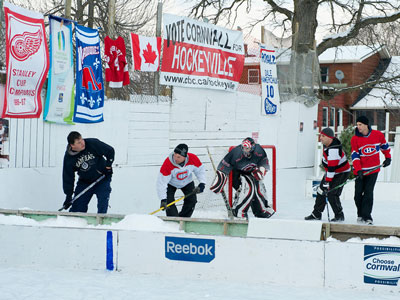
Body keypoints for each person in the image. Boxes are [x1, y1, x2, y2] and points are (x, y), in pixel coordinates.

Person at [210, 137, 275, 219]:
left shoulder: (259, 150)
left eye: (247, 148)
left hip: (251, 172)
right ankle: (238, 211)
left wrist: (260, 171)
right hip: (236, 174)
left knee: (258, 188)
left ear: (253, 147)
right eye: (243, 148)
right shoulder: (236, 152)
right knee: (247, 189)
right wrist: (219, 181)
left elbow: (263, 162)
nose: (245, 150)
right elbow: (223, 166)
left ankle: (261, 211)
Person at [351, 116, 391, 225]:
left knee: (368, 193)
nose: (358, 127)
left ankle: (367, 217)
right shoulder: (355, 139)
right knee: (358, 195)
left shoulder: (377, 135)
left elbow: (385, 146)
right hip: (360, 171)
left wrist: (388, 157)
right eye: (357, 124)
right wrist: (358, 170)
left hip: (373, 170)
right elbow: (355, 156)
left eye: (360, 125)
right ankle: (360, 214)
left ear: (366, 125)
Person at [62, 131, 115, 213]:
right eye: (79, 142)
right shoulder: (69, 158)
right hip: (85, 182)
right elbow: (68, 177)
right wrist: (68, 196)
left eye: (82, 139)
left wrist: (108, 167)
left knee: (103, 202)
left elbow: (110, 151)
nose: (82, 143)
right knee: (77, 207)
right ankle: (75, 222)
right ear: (72, 145)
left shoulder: (92, 143)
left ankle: (101, 222)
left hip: (102, 178)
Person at [305, 128, 351, 222]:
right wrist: (326, 182)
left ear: (330, 138)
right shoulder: (328, 145)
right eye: (320, 135)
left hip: (341, 173)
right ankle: (316, 213)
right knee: (321, 191)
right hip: (332, 172)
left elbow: (332, 168)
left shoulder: (333, 149)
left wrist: (327, 181)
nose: (320, 138)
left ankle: (339, 215)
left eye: (323, 136)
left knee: (332, 194)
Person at [156, 143, 206, 217]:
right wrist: (163, 199)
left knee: (192, 200)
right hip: (171, 184)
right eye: (175, 156)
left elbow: (200, 171)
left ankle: (183, 219)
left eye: (178, 157)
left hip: (187, 182)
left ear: (184, 157)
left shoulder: (193, 159)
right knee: (169, 204)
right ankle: (173, 221)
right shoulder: (168, 164)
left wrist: (202, 183)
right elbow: (161, 183)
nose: (175, 159)